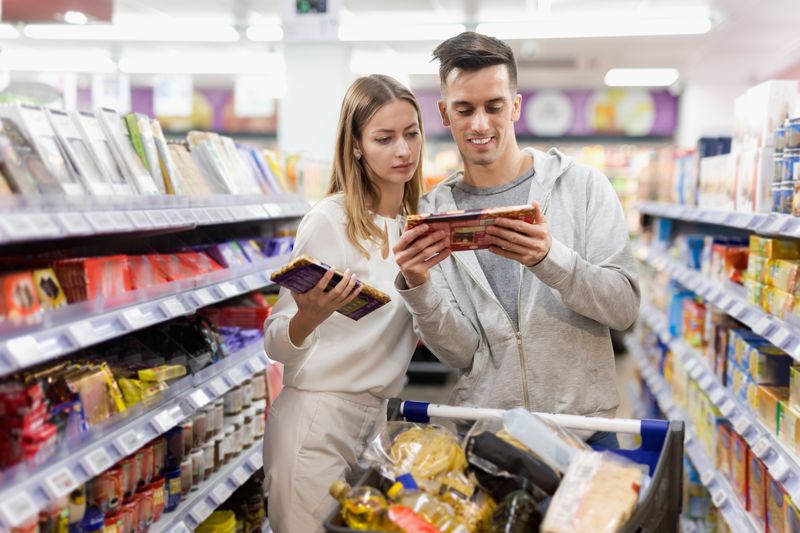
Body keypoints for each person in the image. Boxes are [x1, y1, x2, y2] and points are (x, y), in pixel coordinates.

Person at [393, 32, 640, 447]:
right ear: (443, 113)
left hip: (586, 433)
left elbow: (624, 309)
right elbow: (461, 352)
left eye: (494, 106)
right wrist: (418, 287)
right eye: (464, 109)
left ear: (516, 107)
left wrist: (551, 260)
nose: (480, 124)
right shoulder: (434, 217)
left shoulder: (582, 187)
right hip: (490, 437)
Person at [262, 75, 424, 532]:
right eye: (384, 138)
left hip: (377, 422)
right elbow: (276, 340)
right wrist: (307, 318)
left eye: (411, 133)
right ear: (355, 146)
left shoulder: (415, 226)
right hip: (317, 420)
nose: (403, 151)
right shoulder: (330, 222)